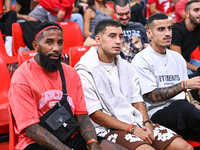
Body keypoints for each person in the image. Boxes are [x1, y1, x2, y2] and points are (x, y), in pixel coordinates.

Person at [75, 19, 193, 150]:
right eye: (112, 36)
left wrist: (147, 123)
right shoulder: (84, 70)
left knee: (185, 148)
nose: (118, 41)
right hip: (107, 129)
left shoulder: (126, 66)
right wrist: (132, 129)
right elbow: (95, 114)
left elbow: (137, 101)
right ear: (98, 40)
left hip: (135, 122)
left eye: (121, 36)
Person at [8, 21, 126, 150]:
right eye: (49, 42)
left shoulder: (71, 73)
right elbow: (32, 129)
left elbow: (82, 116)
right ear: (36, 46)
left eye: (60, 42)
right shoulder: (21, 77)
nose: (56, 48)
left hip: (69, 134)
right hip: (36, 142)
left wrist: (93, 144)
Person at [132, 12, 200, 142]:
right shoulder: (141, 59)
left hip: (185, 115)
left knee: (186, 106)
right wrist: (183, 85)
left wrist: (195, 103)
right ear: (149, 33)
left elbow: (187, 93)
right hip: (158, 115)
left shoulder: (177, 57)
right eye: (161, 29)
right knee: (181, 106)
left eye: (169, 28)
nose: (168, 33)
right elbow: (152, 96)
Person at [84, 0, 149, 63]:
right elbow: (87, 42)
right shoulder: (109, 27)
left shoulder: (139, 27)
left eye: (127, 13)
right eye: (121, 14)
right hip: (119, 66)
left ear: (130, 12)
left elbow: (147, 47)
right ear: (114, 13)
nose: (124, 17)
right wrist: (109, 43)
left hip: (140, 66)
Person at [170, 0, 200, 75]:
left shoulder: (198, 27)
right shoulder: (176, 30)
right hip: (173, 65)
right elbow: (178, 61)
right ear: (187, 14)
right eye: (196, 10)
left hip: (188, 61)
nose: (199, 13)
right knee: (188, 74)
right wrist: (198, 69)